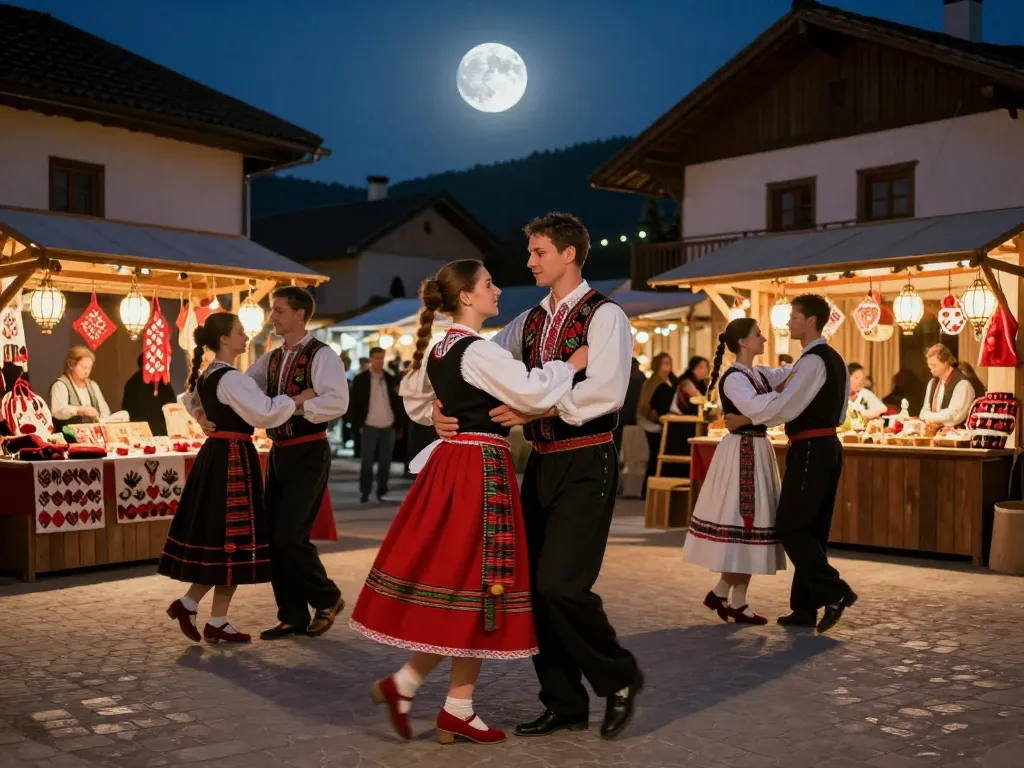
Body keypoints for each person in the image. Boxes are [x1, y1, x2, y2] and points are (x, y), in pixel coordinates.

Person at [350, 260, 587, 745]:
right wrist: (573, 365)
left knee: (473, 587)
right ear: (466, 297)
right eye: (488, 284)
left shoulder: (442, 348)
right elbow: (531, 388)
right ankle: (446, 702)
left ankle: (429, 693)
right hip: (479, 471)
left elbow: (415, 398)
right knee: (483, 584)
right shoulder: (477, 350)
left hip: (456, 467)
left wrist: (437, 411)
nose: (497, 290)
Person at [432, 212, 642, 740]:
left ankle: (618, 678)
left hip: (588, 457)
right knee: (530, 588)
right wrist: (437, 408)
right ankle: (564, 701)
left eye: (539, 252)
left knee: (562, 585)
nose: (529, 262)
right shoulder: (525, 322)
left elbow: (609, 392)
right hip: (543, 465)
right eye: (530, 253)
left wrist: (538, 411)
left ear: (569, 254)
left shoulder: (605, 316)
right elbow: (473, 364)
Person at [186, 287, 349, 640]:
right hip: (279, 451)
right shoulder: (271, 360)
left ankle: (328, 598)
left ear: (298, 315)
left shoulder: (323, 356)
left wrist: (299, 404)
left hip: (309, 450)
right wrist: (201, 412)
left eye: (277, 311)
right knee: (272, 537)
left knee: (290, 534)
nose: (271, 317)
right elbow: (232, 388)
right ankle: (291, 615)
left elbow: (338, 401)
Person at [161, 313, 315, 643]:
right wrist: (299, 398)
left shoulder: (212, 373)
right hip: (231, 458)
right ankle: (196, 608)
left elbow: (188, 399)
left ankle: (212, 617)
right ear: (225, 340)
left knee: (228, 542)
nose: (246, 337)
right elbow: (264, 412)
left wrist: (201, 414)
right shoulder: (230, 377)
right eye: (240, 332)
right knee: (231, 540)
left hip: (221, 455)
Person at [725, 294, 856, 633]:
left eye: (794, 316)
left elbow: (784, 406)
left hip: (812, 446)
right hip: (824, 445)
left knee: (791, 526)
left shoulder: (814, 362)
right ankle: (804, 608)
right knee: (811, 529)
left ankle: (835, 591)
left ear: (810, 321)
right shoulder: (828, 359)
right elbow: (832, 407)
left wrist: (748, 416)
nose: (788, 322)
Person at [683, 320, 791, 624]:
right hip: (743, 451)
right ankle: (731, 599)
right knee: (746, 524)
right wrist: (758, 414)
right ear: (742, 342)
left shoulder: (756, 373)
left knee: (750, 527)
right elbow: (760, 408)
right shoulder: (734, 379)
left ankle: (726, 596)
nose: (764, 338)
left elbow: (782, 378)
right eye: (758, 335)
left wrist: (805, 365)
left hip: (755, 446)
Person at [348, 346, 407, 503]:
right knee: (367, 462)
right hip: (369, 425)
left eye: (382, 357)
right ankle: (365, 491)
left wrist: (399, 425)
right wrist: (357, 425)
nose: (380, 361)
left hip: (388, 426)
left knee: (385, 461)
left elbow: (398, 403)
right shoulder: (361, 380)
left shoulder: (390, 378)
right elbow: (354, 405)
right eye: (377, 358)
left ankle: (382, 490)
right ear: (371, 360)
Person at [637, 352, 675, 495]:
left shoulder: (668, 380)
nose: (667, 367)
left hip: (659, 423)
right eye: (664, 364)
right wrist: (657, 417)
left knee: (657, 455)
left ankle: (654, 489)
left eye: (669, 364)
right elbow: (644, 405)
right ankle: (648, 490)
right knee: (655, 456)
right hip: (652, 425)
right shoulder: (654, 382)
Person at [49, 346, 112, 431]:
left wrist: (103, 420)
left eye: (89, 367)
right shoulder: (61, 385)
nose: (87, 371)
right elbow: (57, 411)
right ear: (71, 365)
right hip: (68, 435)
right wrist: (79, 410)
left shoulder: (92, 385)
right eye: (83, 367)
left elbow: (104, 410)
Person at [920, 344, 977, 427]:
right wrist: (928, 417)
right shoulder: (932, 383)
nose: (932, 370)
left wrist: (929, 417)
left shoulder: (963, 384)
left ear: (946, 362)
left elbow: (954, 416)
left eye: (934, 366)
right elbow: (924, 411)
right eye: (930, 367)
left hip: (956, 434)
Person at [122, 354, 177, 435]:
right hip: (146, 431)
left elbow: (171, 404)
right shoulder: (134, 383)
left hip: (145, 431)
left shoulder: (132, 382)